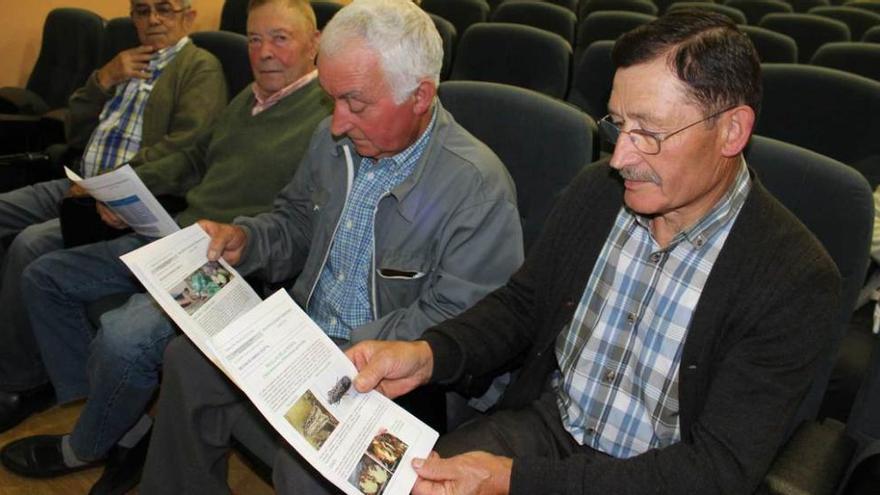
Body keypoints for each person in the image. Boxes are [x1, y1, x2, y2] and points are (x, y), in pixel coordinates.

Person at [344, 10, 842, 495]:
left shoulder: (792, 278)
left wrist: (511, 481)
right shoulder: (599, 194)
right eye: (619, 125)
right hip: (545, 430)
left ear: (732, 131)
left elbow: (714, 470)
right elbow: (521, 307)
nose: (621, 157)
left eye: (649, 133)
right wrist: (428, 355)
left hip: (662, 475)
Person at [139, 0, 524, 492]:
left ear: (420, 96)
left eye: (355, 103)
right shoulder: (333, 140)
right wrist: (248, 240)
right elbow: (297, 222)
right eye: (331, 99)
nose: (337, 122)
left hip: (394, 374)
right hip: (308, 337)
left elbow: (464, 319)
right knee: (187, 360)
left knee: (302, 470)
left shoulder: (476, 185)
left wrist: (336, 351)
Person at [0, 0, 331, 493]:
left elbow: (298, 224)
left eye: (280, 38)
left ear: (314, 42)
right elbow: (193, 158)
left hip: (235, 263)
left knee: (124, 337)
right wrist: (120, 186)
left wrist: (237, 235)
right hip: (178, 238)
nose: (264, 53)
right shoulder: (251, 98)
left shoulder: (326, 115)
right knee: (43, 276)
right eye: (255, 39)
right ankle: (125, 427)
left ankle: (86, 445)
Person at [0, 0, 226, 433]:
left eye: (165, 9)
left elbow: (186, 147)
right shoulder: (126, 61)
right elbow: (74, 127)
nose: (153, 20)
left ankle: (20, 381)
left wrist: (114, 182)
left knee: (30, 244)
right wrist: (103, 79)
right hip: (77, 180)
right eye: (142, 10)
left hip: (120, 200)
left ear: (188, 16)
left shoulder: (199, 67)